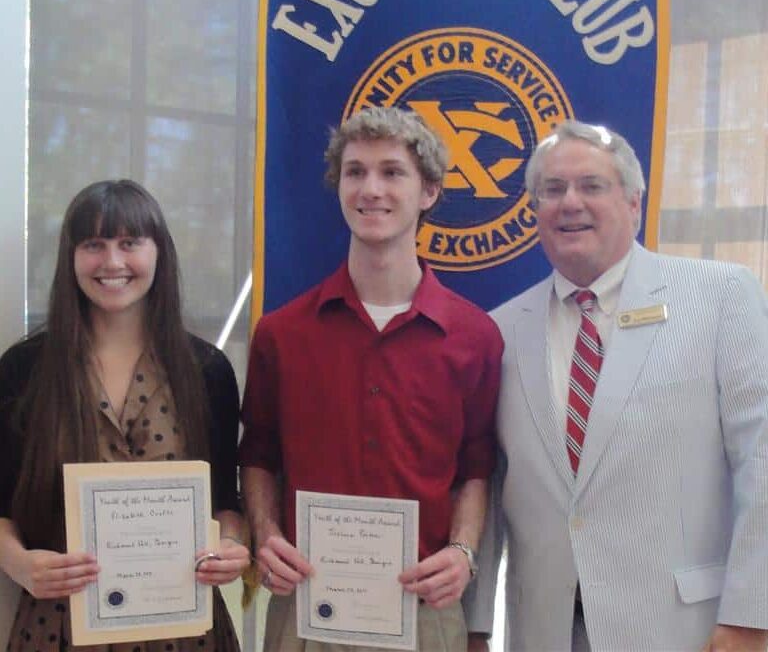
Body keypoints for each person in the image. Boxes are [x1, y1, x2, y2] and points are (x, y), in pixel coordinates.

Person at [464, 120, 768, 652]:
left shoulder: (721, 297)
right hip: (545, 631)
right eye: (552, 190)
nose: (570, 202)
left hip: (690, 632)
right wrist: (475, 625)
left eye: (591, 185)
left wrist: (752, 616)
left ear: (633, 200)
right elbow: (486, 486)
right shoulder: (499, 331)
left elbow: (761, 461)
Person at [239, 106, 503, 651]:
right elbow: (258, 455)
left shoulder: (475, 336)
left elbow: (475, 468)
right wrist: (265, 536)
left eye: (392, 172)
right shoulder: (282, 334)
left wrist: (464, 550)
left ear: (428, 191)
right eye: (355, 171)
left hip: (423, 609)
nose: (370, 188)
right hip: (306, 605)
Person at [0, 180, 250, 652]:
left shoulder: (207, 371)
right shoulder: (23, 370)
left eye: (129, 243)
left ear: (159, 253)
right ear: (71, 257)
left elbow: (225, 503)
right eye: (93, 244)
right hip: (60, 627)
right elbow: (1, 502)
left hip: (183, 628)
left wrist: (232, 546)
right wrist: (18, 563)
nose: (112, 262)